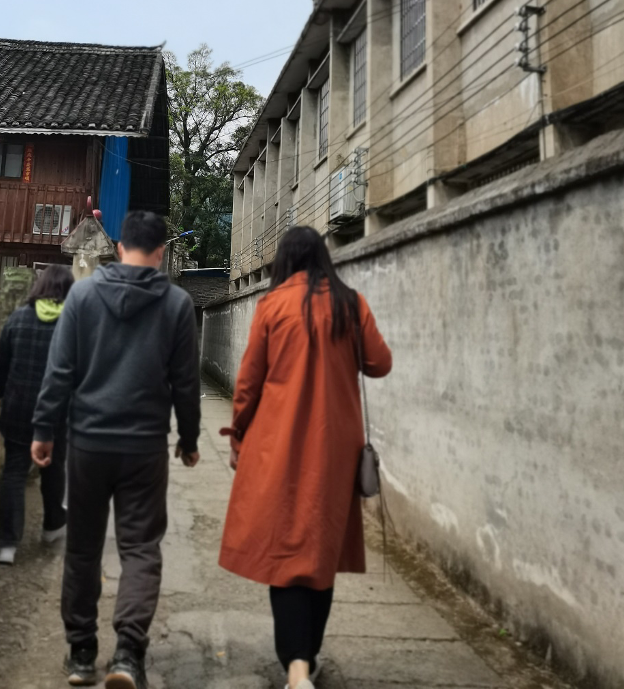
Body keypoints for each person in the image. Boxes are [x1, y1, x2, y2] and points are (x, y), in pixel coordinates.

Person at [31, 211, 201, 689]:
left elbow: (60, 370)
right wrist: (189, 441)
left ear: (120, 247)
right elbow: (186, 383)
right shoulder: (177, 305)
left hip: (87, 443)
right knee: (141, 548)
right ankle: (127, 653)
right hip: (144, 448)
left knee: (83, 548)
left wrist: (44, 430)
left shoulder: (83, 296)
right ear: (161, 253)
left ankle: (82, 654)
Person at [218, 226, 392, 689]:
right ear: (322, 258)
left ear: (284, 261)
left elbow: (248, 383)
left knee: (286, 550)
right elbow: (380, 363)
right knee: (320, 551)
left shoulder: (272, 305)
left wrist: (238, 436)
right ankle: (306, 660)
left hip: (278, 447)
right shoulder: (350, 304)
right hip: (335, 451)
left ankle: (296, 667)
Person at [0, 262, 74, 565]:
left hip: (17, 409)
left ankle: (7, 545)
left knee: (14, 471)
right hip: (56, 416)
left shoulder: (18, 318)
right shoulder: (73, 325)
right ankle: (52, 526)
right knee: (53, 467)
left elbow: (0, 364)